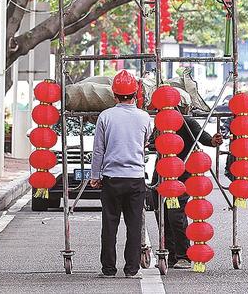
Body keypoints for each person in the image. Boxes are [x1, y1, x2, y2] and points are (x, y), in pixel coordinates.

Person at [89, 70, 153, 279]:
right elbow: (145, 143)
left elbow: (99, 150)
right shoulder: (144, 117)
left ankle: (108, 269)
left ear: (114, 95)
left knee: (110, 224)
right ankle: (131, 269)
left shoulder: (105, 116)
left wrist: (95, 175)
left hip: (112, 178)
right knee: (134, 226)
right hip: (135, 178)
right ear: (135, 94)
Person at [150, 99, 223, 270]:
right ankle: (170, 254)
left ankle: (183, 255)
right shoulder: (160, 123)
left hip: (181, 177)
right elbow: (154, 143)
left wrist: (214, 141)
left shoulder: (188, 122)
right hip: (160, 177)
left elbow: (204, 138)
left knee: (176, 216)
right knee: (162, 215)